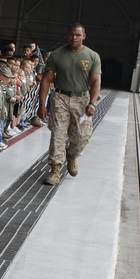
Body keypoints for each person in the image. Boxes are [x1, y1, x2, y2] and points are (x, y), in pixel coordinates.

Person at [38, 23, 101, 186]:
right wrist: (42, 104)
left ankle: (71, 155)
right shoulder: (57, 55)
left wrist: (92, 103)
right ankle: (55, 169)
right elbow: (46, 79)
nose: (74, 37)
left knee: (82, 136)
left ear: (84, 36)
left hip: (83, 100)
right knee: (58, 134)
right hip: (60, 97)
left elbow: (96, 81)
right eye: (72, 34)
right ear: (67, 35)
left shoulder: (92, 56)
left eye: (78, 35)